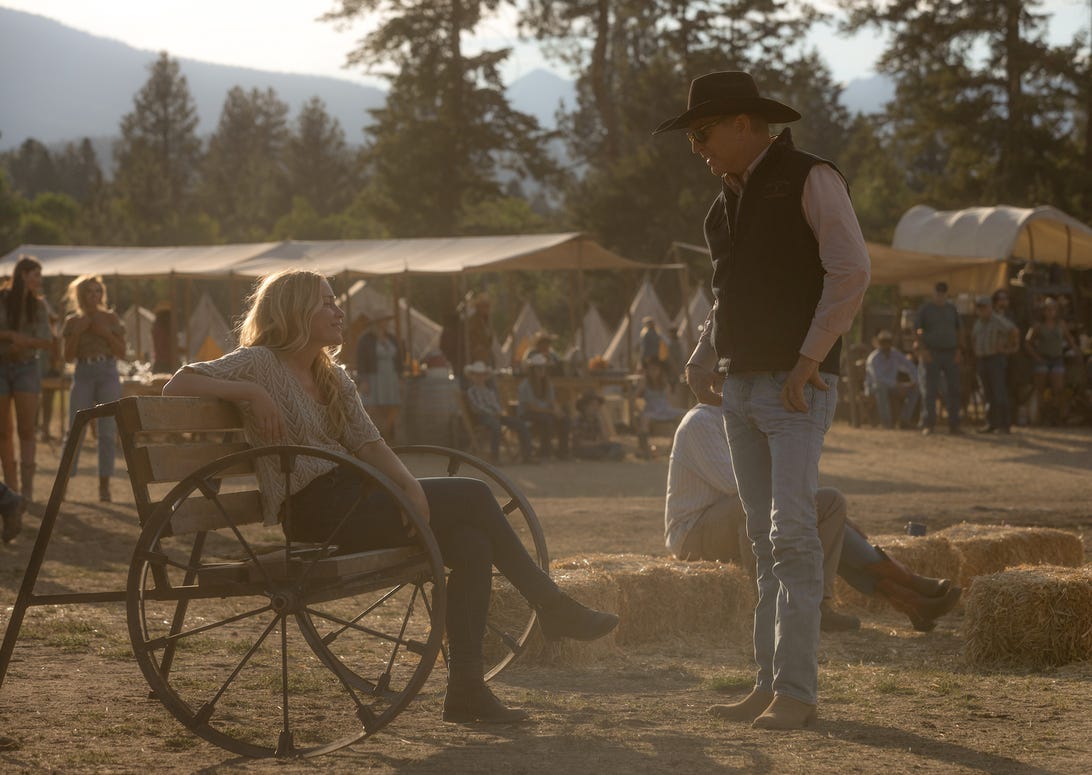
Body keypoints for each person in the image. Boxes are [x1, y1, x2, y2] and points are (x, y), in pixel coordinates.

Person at [162, 269, 618, 723]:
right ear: (295, 310)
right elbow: (177, 384)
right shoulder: (260, 364)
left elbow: (371, 445)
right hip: (314, 510)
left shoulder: (333, 377)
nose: (339, 311)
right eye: (326, 302)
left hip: (358, 500)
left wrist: (408, 487)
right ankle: (552, 606)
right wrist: (249, 394)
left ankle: (466, 691)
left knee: (471, 544)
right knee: (476, 494)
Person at [656, 71, 870, 728]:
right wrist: (702, 352)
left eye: (704, 132)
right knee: (763, 537)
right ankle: (767, 682)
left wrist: (809, 360)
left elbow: (851, 268)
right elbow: (727, 294)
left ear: (744, 123)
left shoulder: (810, 177)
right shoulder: (722, 207)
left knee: (794, 535)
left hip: (793, 386)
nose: (697, 147)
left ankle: (797, 693)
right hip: (742, 385)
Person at [665, 386, 961, 634]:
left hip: (735, 520)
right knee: (764, 506)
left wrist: (819, 511)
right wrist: (805, 504)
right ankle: (901, 583)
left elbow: (782, 479)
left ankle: (893, 598)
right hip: (694, 532)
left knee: (831, 505)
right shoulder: (702, 422)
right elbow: (740, 486)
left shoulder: (744, 421)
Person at [61, 274, 126, 503]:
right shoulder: (72, 321)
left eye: (98, 291)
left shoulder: (111, 318)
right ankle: (64, 483)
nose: (94, 295)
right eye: (89, 291)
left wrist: (105, 333)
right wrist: (79, 331)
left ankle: (104, 485)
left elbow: (122, 353)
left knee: (107, 430)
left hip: (107, 371)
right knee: (74, 428)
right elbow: (67, 357)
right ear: (81, 295)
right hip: (83, 373)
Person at [0, 256, 55, 502]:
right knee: (3, 431)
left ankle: (28, 492)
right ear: (23, 275)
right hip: (1, 366)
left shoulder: (39, 305)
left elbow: (47, 340)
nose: (38, 281)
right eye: (36, 275)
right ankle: (11, 491)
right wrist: (9, 335)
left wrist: (24, 341)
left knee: (26, 429)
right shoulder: (2, 299)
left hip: (26, 367)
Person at [915, 281, 963, 436]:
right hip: (932, 353)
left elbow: (959, 329)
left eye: (943, 292)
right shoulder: (925, 309)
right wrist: (923, 350)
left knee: (953, 389)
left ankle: (954, 425)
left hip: (950, 353)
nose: (940, 295)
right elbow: (916, 330)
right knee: (930, 389)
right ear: (933, 293)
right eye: (938, 292)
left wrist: (959, 350)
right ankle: (928, 423)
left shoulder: (952, 309)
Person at [463, 360, 533, 464]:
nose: (479, 377)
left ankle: (527, 455)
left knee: (520, 423)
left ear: (485, 376)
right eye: (476, 375)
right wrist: (493, 413)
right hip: (482, 416)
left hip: (496, 415)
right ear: (472, 376)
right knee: (496, 425)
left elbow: (496, 404)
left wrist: (498, 412)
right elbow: (477, 407)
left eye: (481, 375)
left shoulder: (489, 391)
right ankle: (494, 457)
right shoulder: (471, 391)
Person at [1024, 297, 1079, 426]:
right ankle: (1040, 417)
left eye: (1053, 309)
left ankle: (1058, 417)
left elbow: (1070, 340)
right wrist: (1036, 357)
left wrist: (1076, 351)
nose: (1050, 312)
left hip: (1057, 359)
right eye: (1047, 310)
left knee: (1059, 390)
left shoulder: (1061, 325)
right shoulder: (1037, 326)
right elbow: (1027, 343)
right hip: (1042, 359)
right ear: (1043, 311)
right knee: (1040, 390)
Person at [971, 295, 1019, 434]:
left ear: (990, 308)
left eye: (984, 307)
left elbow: (1014, 331)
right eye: (979, 308)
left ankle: (1005, 424)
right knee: (987, 394)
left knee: (999, 393)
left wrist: (1009, 348)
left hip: (995, 359)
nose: (981, 310)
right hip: (982, 359)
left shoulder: (998, 320)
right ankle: (991, 423)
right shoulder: (978, 323)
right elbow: (974, 338)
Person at [355, 314, 404, 441]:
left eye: (386, 321)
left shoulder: (391, 338)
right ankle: (365, 434)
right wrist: (364, 380)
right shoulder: (365, 339)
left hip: (390, 375)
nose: (384, 324)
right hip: (373, 375)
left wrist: (400, 377)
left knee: (393, 405)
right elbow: (361, 361)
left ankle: (385, 432)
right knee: (371, 406)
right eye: (381, 321)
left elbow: (399, 359)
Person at [517, 353, 570, 460]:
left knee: (565, 419)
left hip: (544, 412)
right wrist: (551, 412)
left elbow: (552, 400)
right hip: (527, 414)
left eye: (543, 368)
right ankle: (545, 452)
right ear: (533, 370)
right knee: (547, 420)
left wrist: (558, 411)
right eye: (539, 368)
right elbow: (530, 407)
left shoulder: (547, 383)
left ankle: (562, 452)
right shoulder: (525, 385)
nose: (542, 371)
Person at [864, 330, 919, 429]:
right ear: (879, 343)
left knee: (914, 390)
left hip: (893, 386)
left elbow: (910, 366)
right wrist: (898, 385)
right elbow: (878, 379)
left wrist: (914, 381)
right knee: (881, 387)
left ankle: (904, 420)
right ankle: (886, 422)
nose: (886, 344)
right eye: (883, 342)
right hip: (874, 387)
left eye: (888, 342)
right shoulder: (873, 358)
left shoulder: (895, 354)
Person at [634, 357, 685, 459]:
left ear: (659, 370)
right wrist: (637, 410)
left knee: (685, 415)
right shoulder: (644, 382)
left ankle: (673, 448)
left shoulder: (664, 381)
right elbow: (634, 397)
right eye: (650, 369)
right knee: (644, 419)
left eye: (655, 369)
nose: (653, 372)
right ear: (647, 370)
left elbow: (670, 398)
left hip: (664, 409)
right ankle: (645, 451)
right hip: (651, 410)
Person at [571, 390, 624, 461]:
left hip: (595, 445)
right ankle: (608, 457)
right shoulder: (578, 420)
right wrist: (597, 443)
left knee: (617, 446)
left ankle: (608, 457)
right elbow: (579, 442)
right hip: (583, 447)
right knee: (595, 452)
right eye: (592, 405)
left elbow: (605, 439)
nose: (595, 408)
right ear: (584, 406)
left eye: (597, 405)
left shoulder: (597, 419)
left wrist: (602, 421)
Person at [151, 300, 178, 374]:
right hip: (167, 363)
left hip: (160, 362)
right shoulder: (164, 329)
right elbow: (164, 345)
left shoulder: (156, 327)